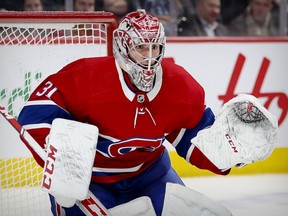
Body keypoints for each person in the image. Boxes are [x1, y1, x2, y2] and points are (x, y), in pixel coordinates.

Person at [18, 10, 231, 216]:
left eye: (154, 47)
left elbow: (194, 136)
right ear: (123, 46)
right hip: (91, 181)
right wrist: (62, 162)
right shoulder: (87, 77)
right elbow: (35, 114)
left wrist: (228, 152)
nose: (149, 58)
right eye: (140, 47)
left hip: (151, 176)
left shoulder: (180, 85)